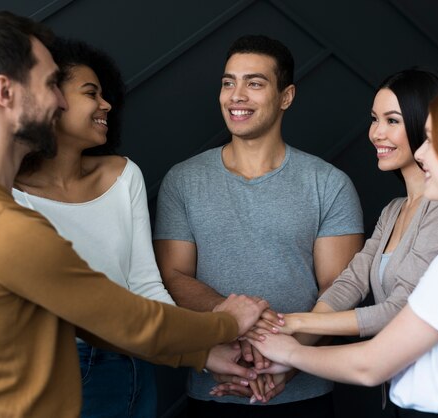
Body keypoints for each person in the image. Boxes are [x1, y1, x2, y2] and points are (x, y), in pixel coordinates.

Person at [0, 10, 269, 418]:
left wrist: (197, 352)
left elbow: (94, 321)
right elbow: (130, 321)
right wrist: (227, 321)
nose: (59, 101)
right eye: (50, 84)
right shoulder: (3, 227)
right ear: (5, 92)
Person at [250, 74, 438, 418]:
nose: (421, 152)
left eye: (433, 140)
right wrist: (289, 338)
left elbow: (372, 364)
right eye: (375, 119)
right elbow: (353, 282)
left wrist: (288, 345)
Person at [153, 34, 364, 417]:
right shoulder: (182, 180)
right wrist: (235, 317)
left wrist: (288, 357)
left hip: (306, 392)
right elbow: (173, 275)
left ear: (286, 96)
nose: (236, 95)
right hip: (212, 388)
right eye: (228, 82)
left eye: (254, 83)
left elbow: (339, 288)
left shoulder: (328, 183)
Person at [13, 38, 171, 418]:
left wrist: (194, 346)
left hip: (137, 358)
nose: (106, 105)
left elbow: (145, 283)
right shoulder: (10, 195)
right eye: (90, 93)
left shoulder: (124, 175)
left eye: (104, 94)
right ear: (49, 98)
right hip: (58, 369)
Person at [253, 69, 438, 346]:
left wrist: (296, 323)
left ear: (425, 125)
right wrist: (288, 350)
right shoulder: (393, 211)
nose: (376, 133)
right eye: (375, 119)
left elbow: (402, 310)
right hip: (396, 380)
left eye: (392, 121)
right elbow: (351, 284)